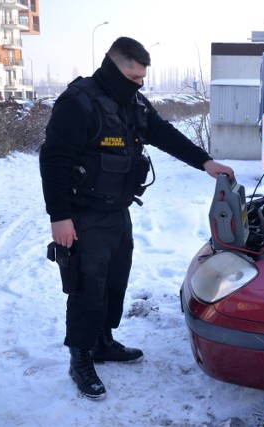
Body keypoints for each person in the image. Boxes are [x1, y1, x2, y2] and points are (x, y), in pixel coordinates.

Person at [39, 36, 234, 400]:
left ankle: (103, 342)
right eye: (132, 76)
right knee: (86, 287)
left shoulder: (133, 103)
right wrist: (59, 216)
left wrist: (205, 162)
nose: (139, 84)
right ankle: (80, 357)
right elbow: (53, 160)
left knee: (115, 282)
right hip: (83, 216)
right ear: (112, 67)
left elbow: (163, 133)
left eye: (142, 78)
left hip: (117, 211)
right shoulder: (78, 102)